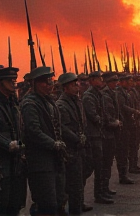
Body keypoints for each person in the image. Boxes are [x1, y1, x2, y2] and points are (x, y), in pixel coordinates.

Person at [20, 66, 67, 216]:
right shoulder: (30, 104)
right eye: (45, 83)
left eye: (50, 82)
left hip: (54, 159)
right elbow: (34, 131)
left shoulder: (48, 101)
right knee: (46, 203)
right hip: (39, 161)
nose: (49, 86)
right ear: (35, 84)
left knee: (59, 200)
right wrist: (53, 143)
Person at [0, 66, 27, 216]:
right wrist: (8, 144)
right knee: (2, 206)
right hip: (2, 161)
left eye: (14, 80)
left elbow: (20, 129)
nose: (13, 83)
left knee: (16, 204)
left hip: (16, 163)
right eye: (9, 80)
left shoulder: (13, 103)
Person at [56, 72, 87, 215]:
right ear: (65, 88)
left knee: (77, 185)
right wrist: (76, 137)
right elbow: (63, 128)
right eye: (74, 85)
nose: (77, 87)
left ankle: (77, 208)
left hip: (77, 148)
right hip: (69, 150)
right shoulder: (61, 105)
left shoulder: (76, 101)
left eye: (77, 84)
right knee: (71, 186)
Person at [82, 71, 113, 204]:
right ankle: (95, 195)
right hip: (93, 136)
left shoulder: (98, 94)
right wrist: (107, 122)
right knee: (94, 167)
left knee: (102, 165)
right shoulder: (88, 96)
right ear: (93, 80)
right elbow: (94, 116)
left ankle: (101, 191)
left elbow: (104, 113)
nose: (102, 81)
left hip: (99, 134)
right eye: (99, 79)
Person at [101, 72, 121, 197]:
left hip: (111, 131)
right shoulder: (105, 95)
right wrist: (115, 123)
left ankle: (105, 188)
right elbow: (106, 116)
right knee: (105, 163)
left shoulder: (111, 93)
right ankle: (102, 190)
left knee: (108, 162)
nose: (116, 84)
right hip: (107, 132)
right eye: (113, 82)